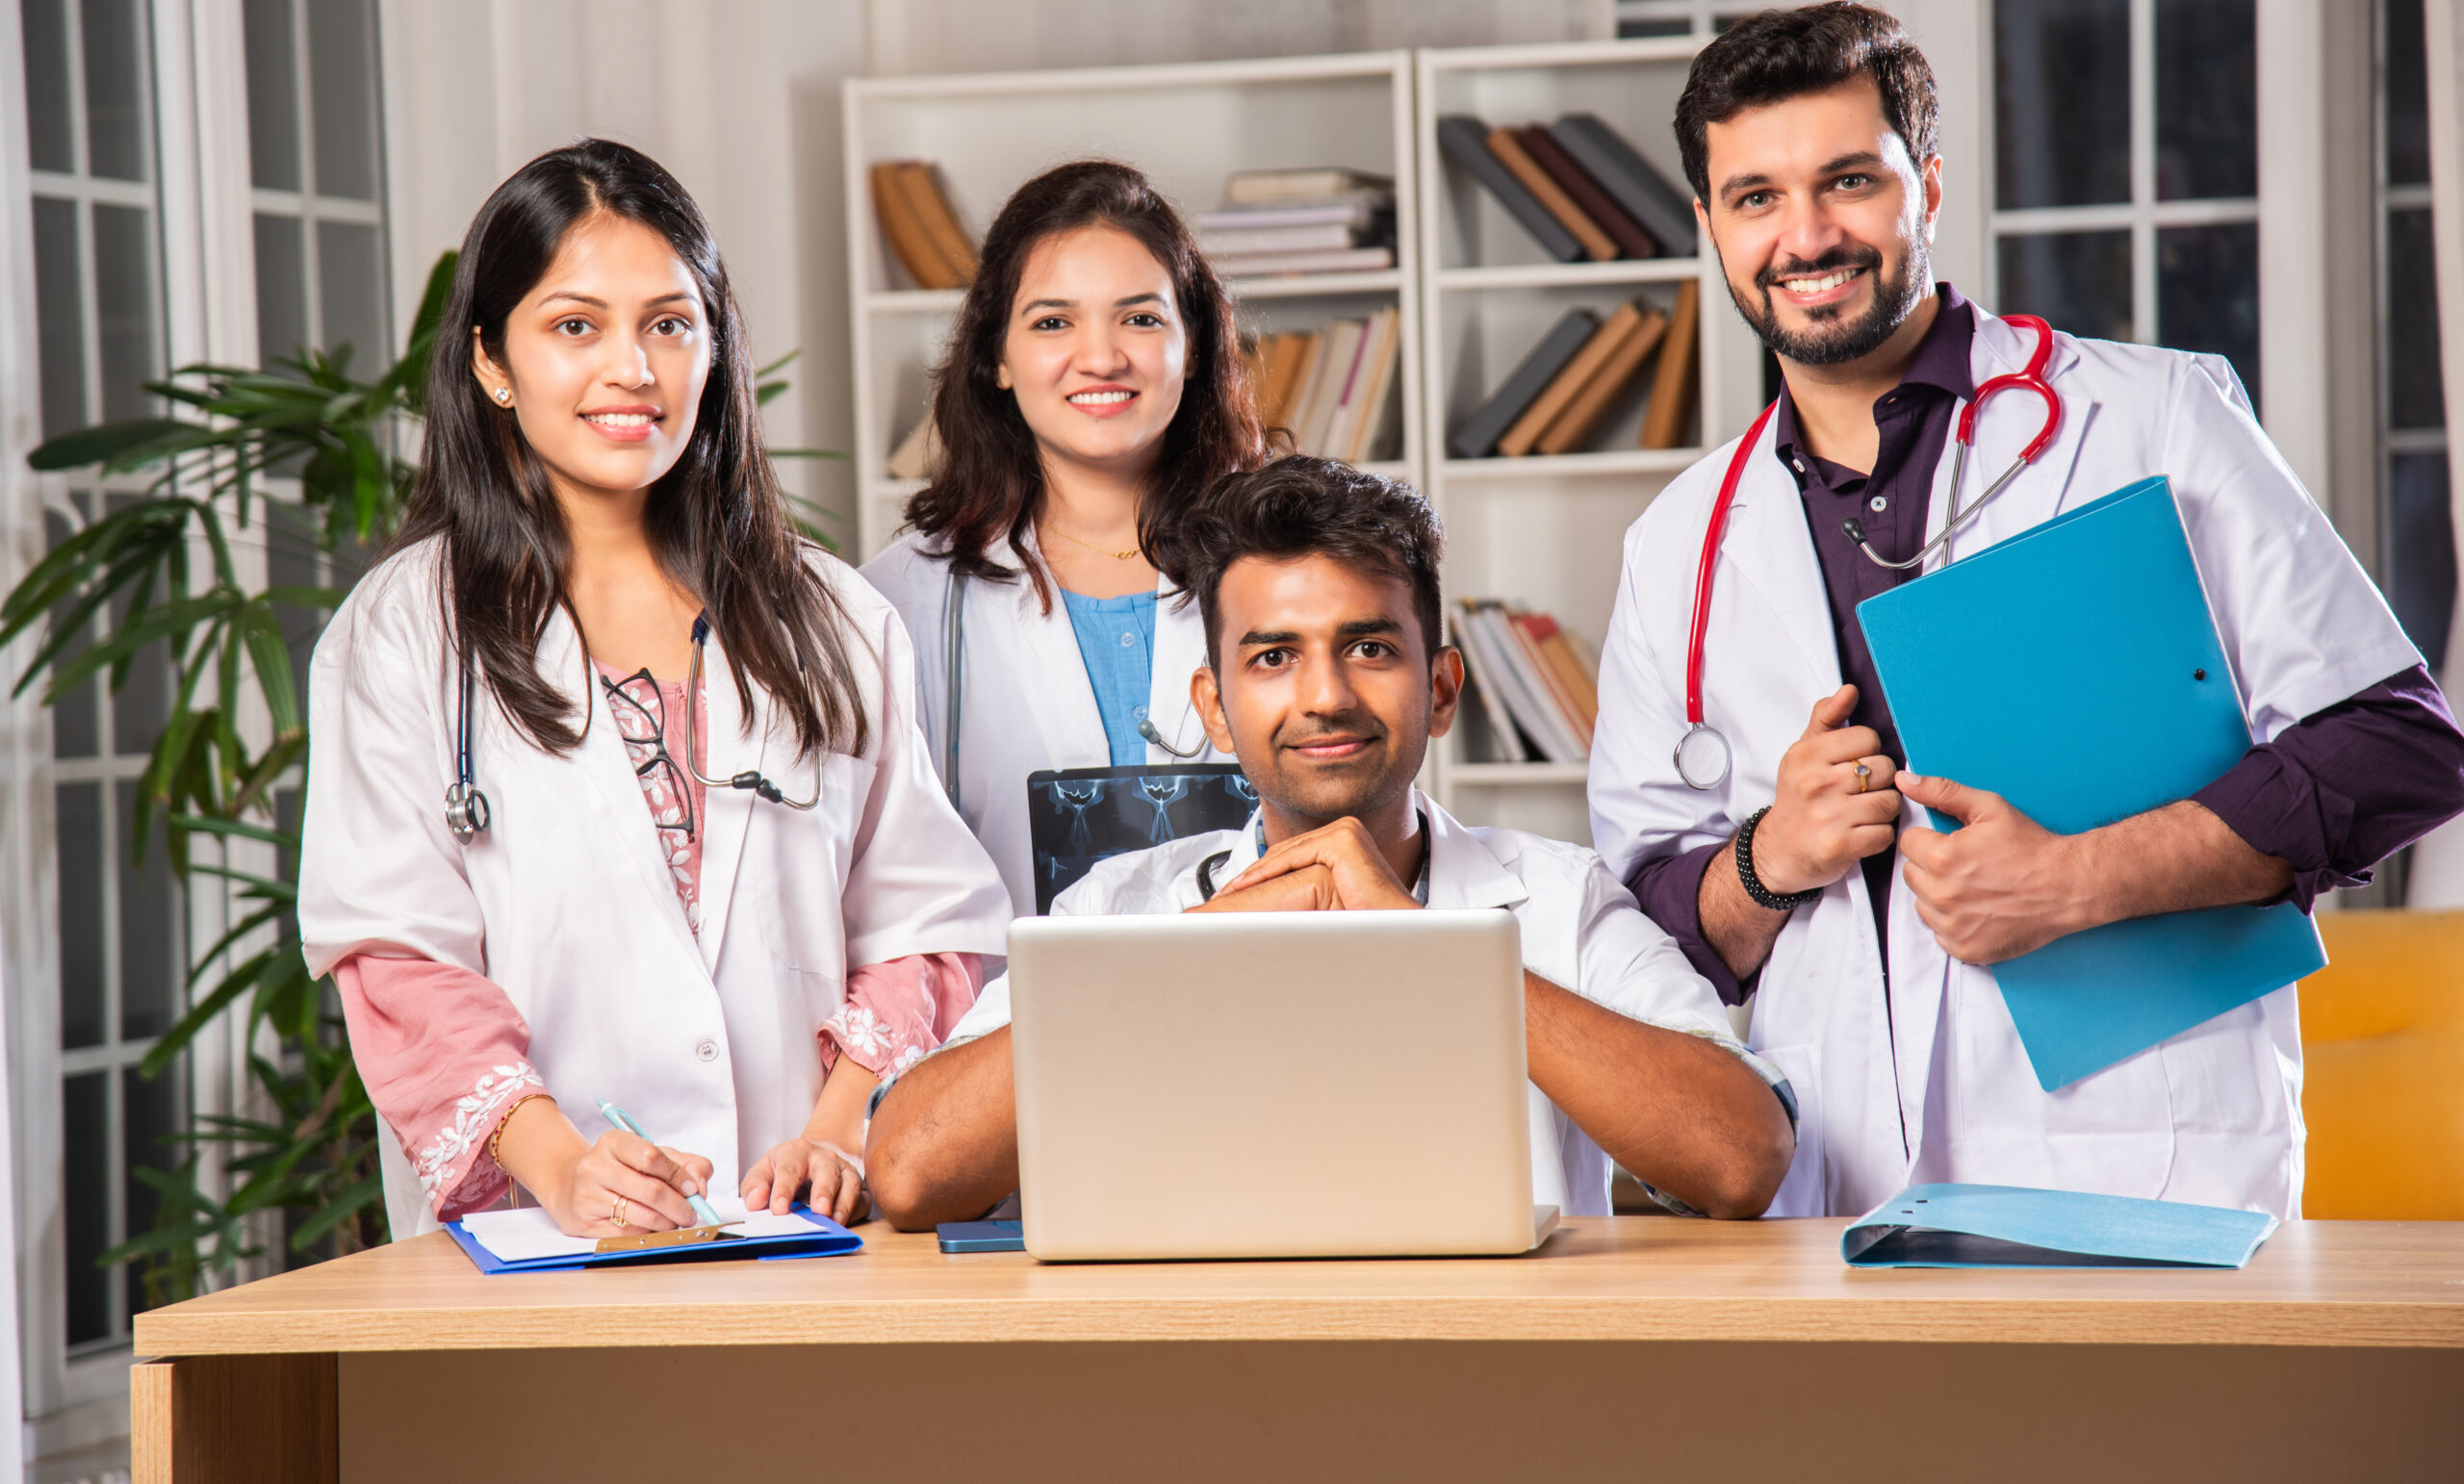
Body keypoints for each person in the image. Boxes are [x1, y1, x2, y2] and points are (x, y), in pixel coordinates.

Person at [1588, 3, 2464, 1220]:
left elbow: (2398, 746)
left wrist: (2077, 879)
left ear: (1927, 183)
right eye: (1755, 198)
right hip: (1833, 1190)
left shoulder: (2149, 420)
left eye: (1849, 179)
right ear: (1708, 225)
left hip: (2140, 1164)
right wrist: (1768, 857)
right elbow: (1646, 938)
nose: (1806, 235)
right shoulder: (1678, 541)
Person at [299, 140, 1010, 1240]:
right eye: (575, 325)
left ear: (714, 345)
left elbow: (924, 924)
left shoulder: (830, 614)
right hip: (540, 1245)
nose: (632, 368)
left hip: (800, 1234)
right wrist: (566, 1168)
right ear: (492, 360)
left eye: (669, 323)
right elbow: (402, 965)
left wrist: (837, 1129)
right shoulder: (404, 633)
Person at [865, 457, 1798, 1228]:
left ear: (1439, 689)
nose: (1324, 696)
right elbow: (908, 1172)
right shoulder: (1121, 909)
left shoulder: (1560, 899)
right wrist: (1184, 953)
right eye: (1273, 656)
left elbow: (1740, 1155)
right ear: (1214, 708)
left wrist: (1430, 950)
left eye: (1369, 648)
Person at [862, 161, 1270, 914]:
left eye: (1140, 318)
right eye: (1053, 321)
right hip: (1009, 1019)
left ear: (1195, 344)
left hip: (1257, 1006)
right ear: (998, 359)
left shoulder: (1286, 565)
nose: (1102, 357)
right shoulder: (896, 602)